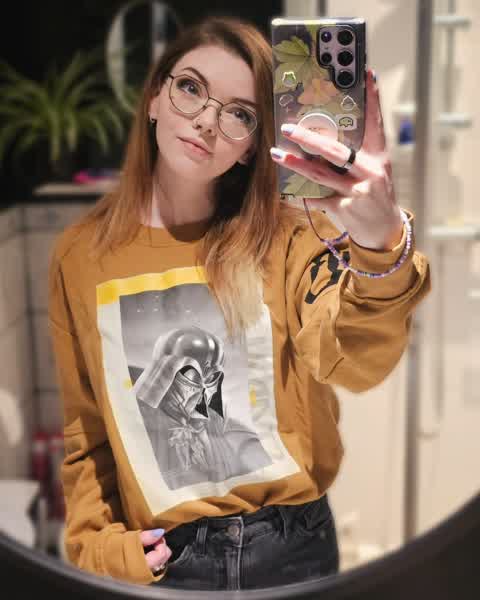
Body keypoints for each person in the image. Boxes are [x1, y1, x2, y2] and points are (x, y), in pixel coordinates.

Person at [47, 14, 431, 591]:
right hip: (165, 561)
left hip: (292, 548)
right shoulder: (80, 257)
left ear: (253, 146)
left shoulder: (289, 237)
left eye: (240, 114)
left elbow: (353, 362)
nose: (206, 120)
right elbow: (87, 431)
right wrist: (97, 546)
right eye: (191, 88)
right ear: (154, 98)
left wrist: (378, 245)